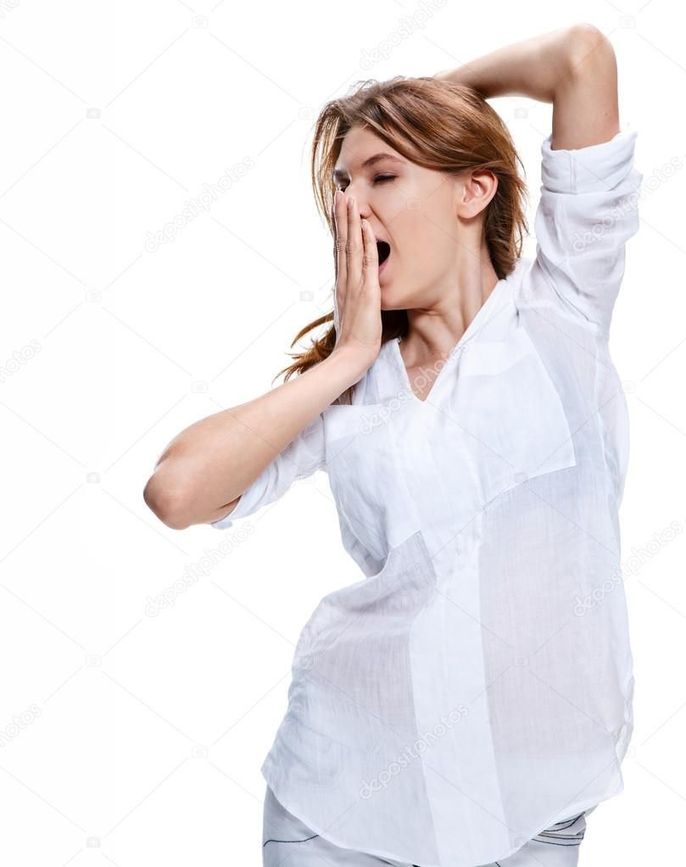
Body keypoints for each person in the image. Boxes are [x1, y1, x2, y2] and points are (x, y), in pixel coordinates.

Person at [144, 23, 642, 867]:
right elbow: (177, 491)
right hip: (342, 810)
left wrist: (434, 105)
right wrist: (341, 357)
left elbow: (581, 58)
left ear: (473, 189)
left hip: (530, 811)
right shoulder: (351, 386)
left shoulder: (560, 309)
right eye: (341, 184)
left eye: (383, 175)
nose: (352, 205)